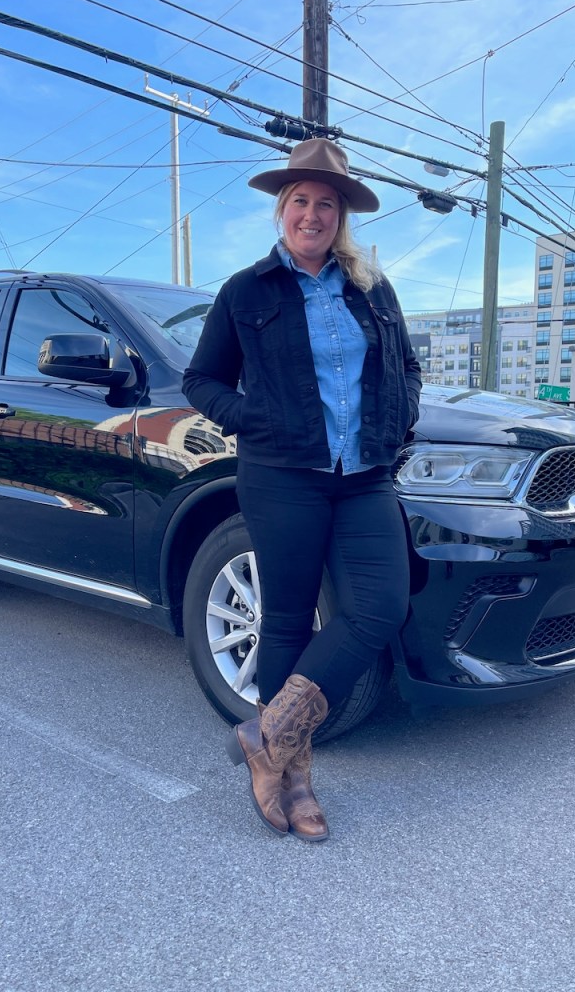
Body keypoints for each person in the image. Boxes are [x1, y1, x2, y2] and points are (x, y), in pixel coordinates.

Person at [182, 138, 422, 842]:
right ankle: (293, 779)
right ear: (281, 210)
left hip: (365, 475)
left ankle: (266, 737)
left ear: (341, 216)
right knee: (287, 619)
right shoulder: (246, 290)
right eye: (299, 201)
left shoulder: (372, 288)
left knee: (381, 606)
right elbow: (201, 380)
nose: (311, 214)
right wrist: (253, 417)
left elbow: (406, 366)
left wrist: (401, 415)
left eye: (325, 203)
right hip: (282, 475)